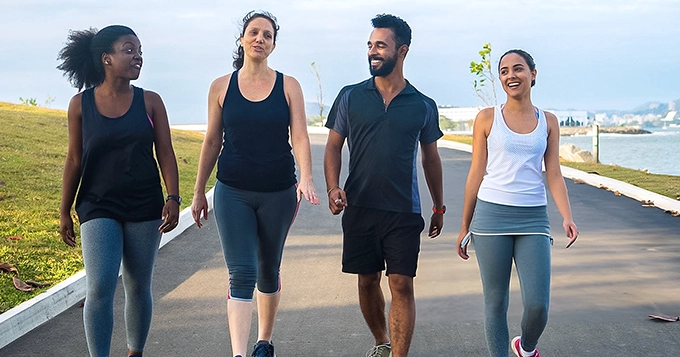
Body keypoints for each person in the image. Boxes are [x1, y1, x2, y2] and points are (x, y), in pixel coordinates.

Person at [190, 10, 319, 357]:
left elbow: (301, 136)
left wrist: (306, 176)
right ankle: (238, 353)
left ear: (273, 45)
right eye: (254, 32)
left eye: (267, 35)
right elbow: (212, 140)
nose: (260, 39)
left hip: (278, 192)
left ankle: (264, 341)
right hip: (233, 190)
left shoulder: (288, 85)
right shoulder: (221, 86)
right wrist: (199, 189)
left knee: (267, 268)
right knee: (242, 272)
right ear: (242, 39)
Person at [324, 14, 445, 357]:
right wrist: (334, 187)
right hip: (360, 206)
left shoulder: (423, 105)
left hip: (403, 211)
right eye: (370, 45)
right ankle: (381, 341)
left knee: (402, 283)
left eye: (381, 45)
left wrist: (438, 206)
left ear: (402, 51)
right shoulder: (350, 97)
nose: (373, 52)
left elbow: (431, 159)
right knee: (366, 280)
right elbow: (334, 146)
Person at [57, 25, 180, 357]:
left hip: (144, 204)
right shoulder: (80, 105)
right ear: (106, 59)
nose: (137, 56)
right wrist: (64, 209)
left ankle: (134, 352)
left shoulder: (150, 102)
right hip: (98, 205)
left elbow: (165, 152)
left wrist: (173, 197)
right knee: (100, 286)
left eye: (140, 50)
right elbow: (74, 158)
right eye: (129, 50)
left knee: (138, 286)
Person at [456, 49, 579, 357]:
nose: (511, 75)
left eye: (518, 69)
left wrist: (567, 216)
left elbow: (553, 173)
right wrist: (463, 226)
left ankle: (526, 347)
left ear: (533, 74)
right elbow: (476, 173)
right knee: (495, 302)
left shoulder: (548, 121)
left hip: (533, 218)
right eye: (504, 71)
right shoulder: (487, 118)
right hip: (490, 216)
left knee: (538, 305)